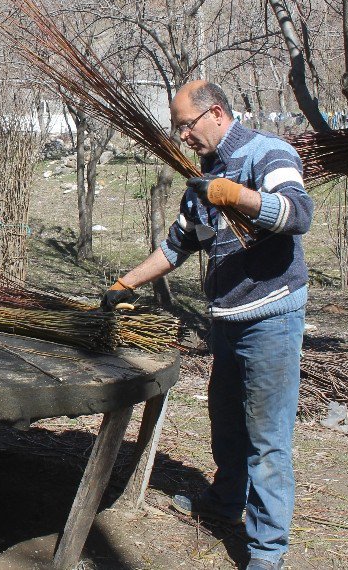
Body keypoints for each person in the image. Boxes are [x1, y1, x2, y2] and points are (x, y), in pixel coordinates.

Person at [101, 81, 313, 570]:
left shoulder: (267, 153)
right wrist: (125, 283)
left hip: (272, 317)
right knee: (227, 422)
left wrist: (234, 194)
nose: (182, 137)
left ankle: (266, 552)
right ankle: (225, 503)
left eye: (185, 126)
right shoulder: (203, 177)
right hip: (229, 322)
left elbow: (299, 214)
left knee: (267, 439)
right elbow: (180, 244)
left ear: (215, 113)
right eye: (177, 129)